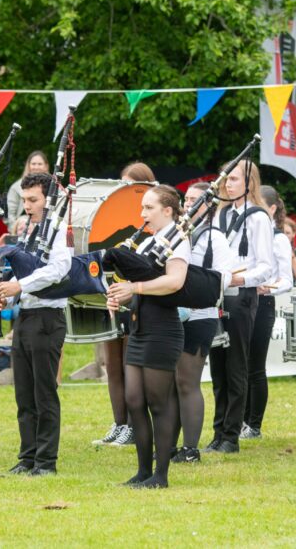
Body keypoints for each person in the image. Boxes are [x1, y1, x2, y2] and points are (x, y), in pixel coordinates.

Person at [106, 185, 191, 488]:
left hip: (163, 331)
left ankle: (161, 475)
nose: (143, 214)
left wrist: (135, 289)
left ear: (167, 211)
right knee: (134, 401)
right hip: (139, 329)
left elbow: (174, 281)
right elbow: (134, 286)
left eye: (149, 208)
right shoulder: (146, 244)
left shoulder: (178, 241)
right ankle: (143, 471)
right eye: (143, 208)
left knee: (158, 403)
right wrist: (120, 296)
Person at [0, 173, 70, 476]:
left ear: (49, 200)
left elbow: (58, 270)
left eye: (33, 200)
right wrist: (5, 294)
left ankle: (46, 461)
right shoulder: (29, 231)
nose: (27, 206)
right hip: (25, 316)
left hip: (47, 318)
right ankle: (27, 457)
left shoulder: (60, 232)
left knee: (44, 391)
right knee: (23, 392)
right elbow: (22, 270)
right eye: (25, 200)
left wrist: (19, 286)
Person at [206, 160, 273, 454]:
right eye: (226, 179)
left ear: (249, 183)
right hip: (217, 295)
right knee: (217, 367)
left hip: (241, 296)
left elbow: (266, 267)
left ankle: (231, 435)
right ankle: (218, 431)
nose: (227, 184)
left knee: (236, 365)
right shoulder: (220, 215)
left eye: (233, 179)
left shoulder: (258, 218)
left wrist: (238, 278)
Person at [92, 162, 156, 447]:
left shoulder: (154, 226)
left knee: (132, 365)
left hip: (136, 300)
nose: (124, 191)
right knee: (113, 364)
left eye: (130, 186)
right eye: (121, 185)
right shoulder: (112, 219)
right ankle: (119, 422)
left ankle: (134, 424)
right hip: (113, 298)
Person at [171, 183, 233, 463]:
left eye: (195, 200)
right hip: (175, 315)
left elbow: (223, 277)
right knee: (172, 383)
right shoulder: (180, 234)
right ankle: (169, 444)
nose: (188, 205)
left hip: (201, 315)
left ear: (210, 205)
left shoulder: (214, 238)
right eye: (186, 199)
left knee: (187, 382)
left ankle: (190, 449)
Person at [240, 186, 293, 440]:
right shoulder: (248, 231)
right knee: (239, 363)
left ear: (271, 209)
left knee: (255, 366)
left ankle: (254, 424)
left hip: (263, 303)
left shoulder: (278, 238)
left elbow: (287, 280)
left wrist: (267, 287)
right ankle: (239, 419)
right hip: (242, 300)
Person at [6, 151, 49, 230]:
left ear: (46, 166)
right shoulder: (15, 187)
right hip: (22, 228)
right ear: (28, 165)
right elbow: (11, 214)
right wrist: (15, 230)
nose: (36, 167)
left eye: (39, 164)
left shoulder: (54, 187)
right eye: (33, 164)